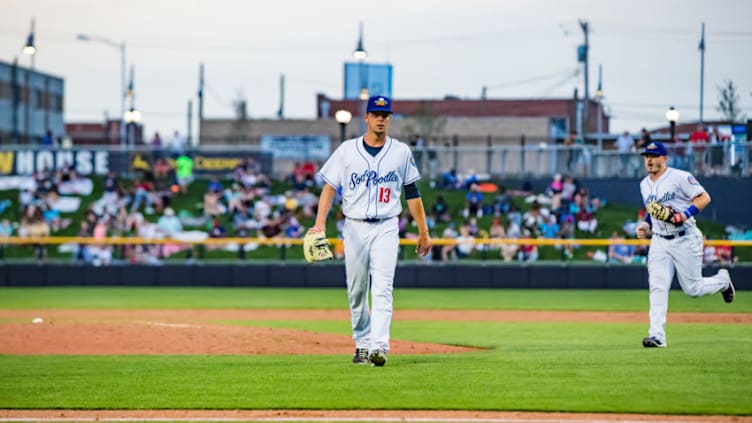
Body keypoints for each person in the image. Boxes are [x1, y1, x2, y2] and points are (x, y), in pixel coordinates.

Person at [312, 95, 432, 367]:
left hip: (387, 226)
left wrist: (423, 231)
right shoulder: (347, 150)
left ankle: (379, 346)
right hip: (354, 226)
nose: (380, 119)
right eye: (376, 114)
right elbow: (329, 188)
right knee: (356, 291)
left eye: (385, 115)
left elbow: (412, 192)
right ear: (366, 117)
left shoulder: (401, 152)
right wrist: (320, 223)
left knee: (382, 288)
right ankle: (362, 344)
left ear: (390, 119)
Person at [635, 141, 735, 348]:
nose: (650, 160)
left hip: (685, 237)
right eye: (647, 156)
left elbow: (704, 197)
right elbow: (653, 210)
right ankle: (657, 336)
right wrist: (646, 224)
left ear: (665, 159)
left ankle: (722, 281)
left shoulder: (679, 177)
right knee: (658, 287)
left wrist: (685, 214)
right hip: (660, 241)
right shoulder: (644, 184)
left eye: (654, 156)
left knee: (693, 289)